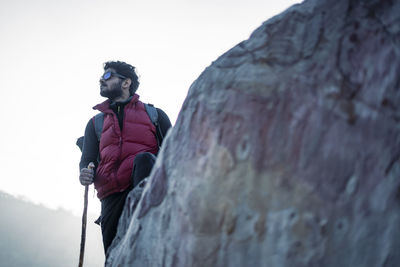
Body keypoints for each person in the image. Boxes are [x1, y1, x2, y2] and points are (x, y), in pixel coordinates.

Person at [79, 61, 171, 256]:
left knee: (145, 159)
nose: (101, 80)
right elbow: (87, 159)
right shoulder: (95, 123)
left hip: (148, 194)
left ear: (126, 82)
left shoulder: (155, 115)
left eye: (107, 76)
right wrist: (85, 173)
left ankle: (143, 218)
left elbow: (174, 153)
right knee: (116, 258)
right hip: (111, 197)